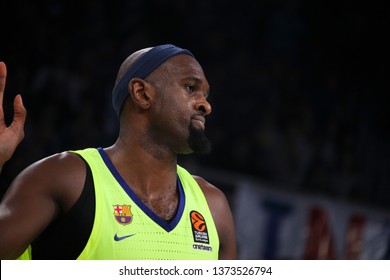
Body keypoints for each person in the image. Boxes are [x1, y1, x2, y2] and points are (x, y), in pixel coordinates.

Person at [0, 44, 237, 260]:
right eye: (190, 88)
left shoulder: (212, 206)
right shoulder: (65, 178)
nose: (206, 105)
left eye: (205, 95)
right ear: (142, 94)